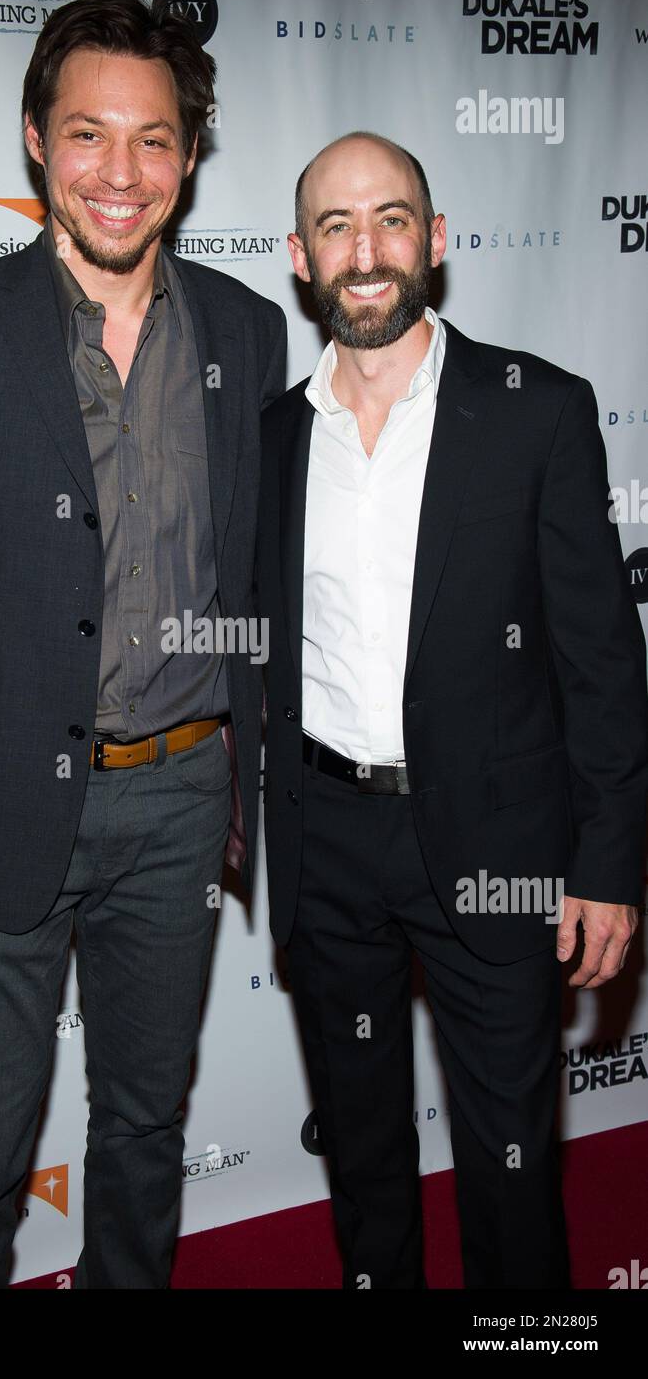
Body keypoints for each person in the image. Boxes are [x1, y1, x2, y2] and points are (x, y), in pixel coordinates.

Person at [0, 0, 286, 1289]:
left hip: (184, 798)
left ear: (189, 157)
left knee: (145, 1129)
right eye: (88, 133)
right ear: (36, 137)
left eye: (152, 140)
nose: (120, 171)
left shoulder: (248, 332)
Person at [257, 130, 648, 1289]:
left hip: (497, 842)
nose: (363, 250)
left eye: (389, 219)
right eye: (334, 225)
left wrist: (609, 862)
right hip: (327, 842)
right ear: (297, 256)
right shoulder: (270, 438)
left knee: (509, 1163)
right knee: (363, 1159)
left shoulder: (535, 411)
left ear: (432, 240)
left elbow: (600, 664)